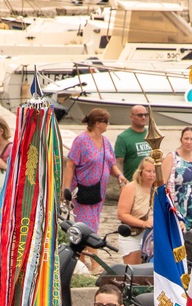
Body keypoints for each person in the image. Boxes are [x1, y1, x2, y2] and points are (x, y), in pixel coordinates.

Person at [66, 108, 124, 239]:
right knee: (87, 228)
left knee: (92, 226)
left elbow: (111, 163)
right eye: (106, 121)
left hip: (98, 193)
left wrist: (120, 175)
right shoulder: (81, 140)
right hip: (83, 191)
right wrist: (66, 189)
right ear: (98, 123)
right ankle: (93, 259)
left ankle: (83, 257)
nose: (108, 124)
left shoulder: (105, 141)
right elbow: (70, 165)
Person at [116, 158, 156, 266]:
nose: (151, 174)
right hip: (132, 234)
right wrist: (143, 223)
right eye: (148, 171)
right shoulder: (131, 188)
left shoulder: (159, 190)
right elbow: (122, 214)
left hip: (152, 236)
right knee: (135, 271)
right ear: (141, 172)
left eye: (154, 171)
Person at [162, 124, 192, 231]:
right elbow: (161, 185)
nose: (189, 142)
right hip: (176, 208)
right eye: (186, 138)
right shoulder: (172, 157)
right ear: (181, 140)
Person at [113, 102, 151, 183]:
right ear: (131, 117)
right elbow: (118, 162)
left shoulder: (151, 135)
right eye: (140, 115)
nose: (143, 117)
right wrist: (122, 181)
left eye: (145, 115)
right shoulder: (123, 137)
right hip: (132, 183)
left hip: (150, 183)